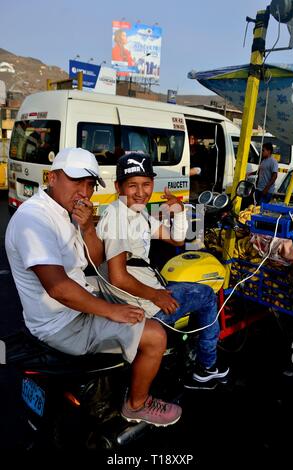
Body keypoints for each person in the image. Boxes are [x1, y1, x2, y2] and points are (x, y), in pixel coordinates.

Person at [5, 147, 182, 428]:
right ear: (52, 178)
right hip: (61, 323)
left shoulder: (65, 211)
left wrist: (87, 228)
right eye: (76, 181)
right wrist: (112, 311)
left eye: (89, 185)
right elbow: (59, 288)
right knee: (156, 334)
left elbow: (95, 260)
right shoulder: (34, 219)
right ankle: (137, 404)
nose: (84, 192)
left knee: (135, 304)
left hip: (74, 304)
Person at [96, 152, 229, 394]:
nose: (140, 192)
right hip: (143, 302)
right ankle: (206, 368)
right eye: (132, 185)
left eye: (146, 184)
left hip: (143, 292)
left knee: (182, 285)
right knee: (207, 294)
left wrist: (178, 211)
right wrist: (157, 297)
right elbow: (118, 276)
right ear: (118, 186)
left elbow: (177, 238)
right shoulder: (117, 217)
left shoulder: (137, 212)